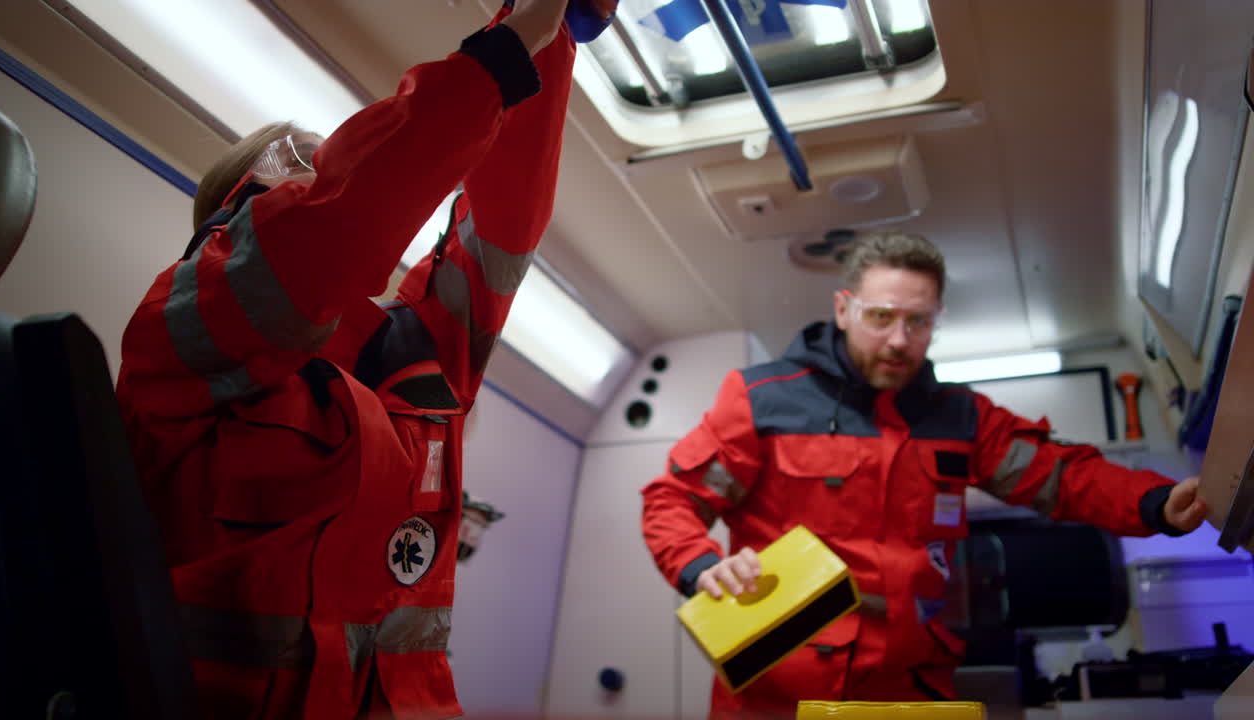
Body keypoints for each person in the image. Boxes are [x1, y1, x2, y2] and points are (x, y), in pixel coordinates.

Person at [116, 2, 578, 717]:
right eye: (306, 161)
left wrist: (554, 28)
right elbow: (331, 224)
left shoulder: (419, 351)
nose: (331, 166)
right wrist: (509, 46)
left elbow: (503, 226)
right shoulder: (180, 326)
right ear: (238, 204)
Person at [640, 232, 1208, 718]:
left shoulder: (959, 418)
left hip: (908, 686)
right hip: (779, 691)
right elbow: (673, 500)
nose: (898, 339)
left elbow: (1058, 475)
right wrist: (703, 568)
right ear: (844, 309)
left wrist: (1156, 501)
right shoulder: (766, 401)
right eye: (881, 317)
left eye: (918, 322)